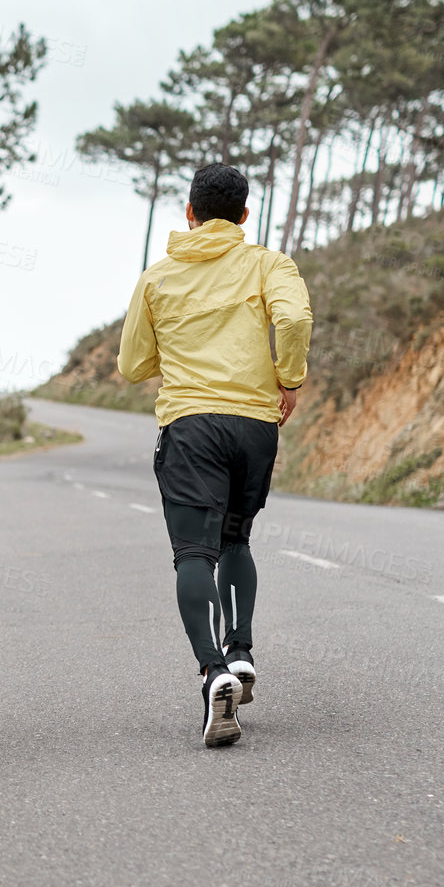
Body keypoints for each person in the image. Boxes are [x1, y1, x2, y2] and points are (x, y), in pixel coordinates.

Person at [118, 163, 312, 748]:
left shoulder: (157, 279)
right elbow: (295, 317)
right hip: (255, 424)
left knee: (193, 554)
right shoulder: (268, 264)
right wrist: (290, 377)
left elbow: (132, 366)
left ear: (189, 212)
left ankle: (214, 672)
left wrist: (177, 353)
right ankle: (242, 649)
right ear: (245, 216)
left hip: (191, 427)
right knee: (237, 541)